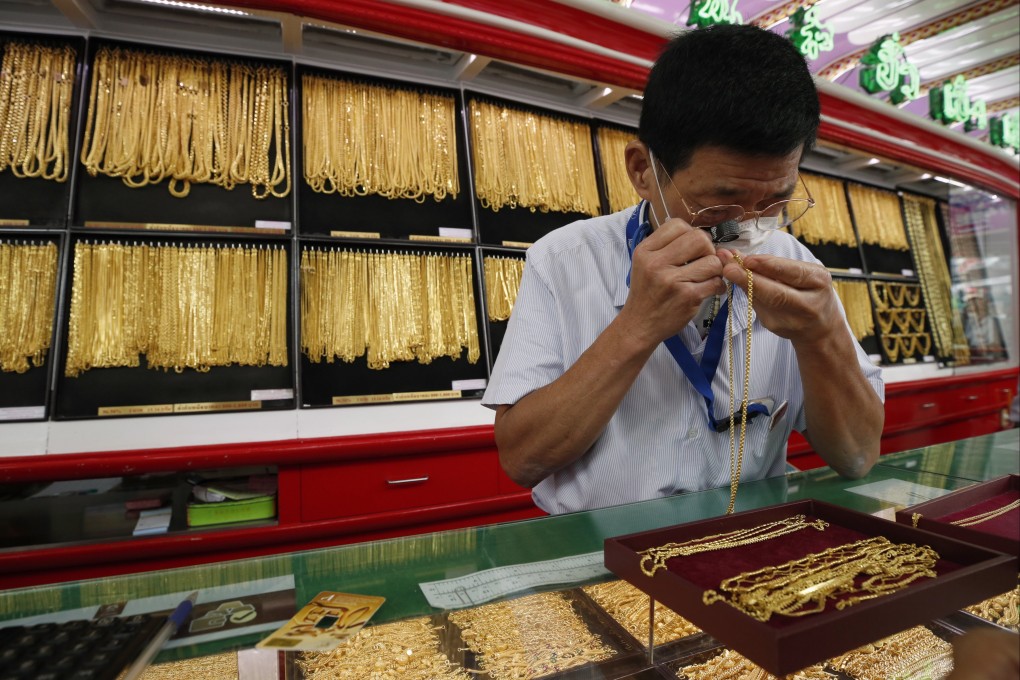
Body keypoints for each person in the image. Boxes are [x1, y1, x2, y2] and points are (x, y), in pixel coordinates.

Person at [481, 24, 885, 514]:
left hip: (748, 548)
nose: (748, 228)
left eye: (775, 201)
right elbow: (522, 460)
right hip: (598, 555)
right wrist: (636, 326)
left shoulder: (796, 266)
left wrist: (822, 340)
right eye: (719, 204)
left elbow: (858, 457)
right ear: (643, 171)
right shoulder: (564, 258)